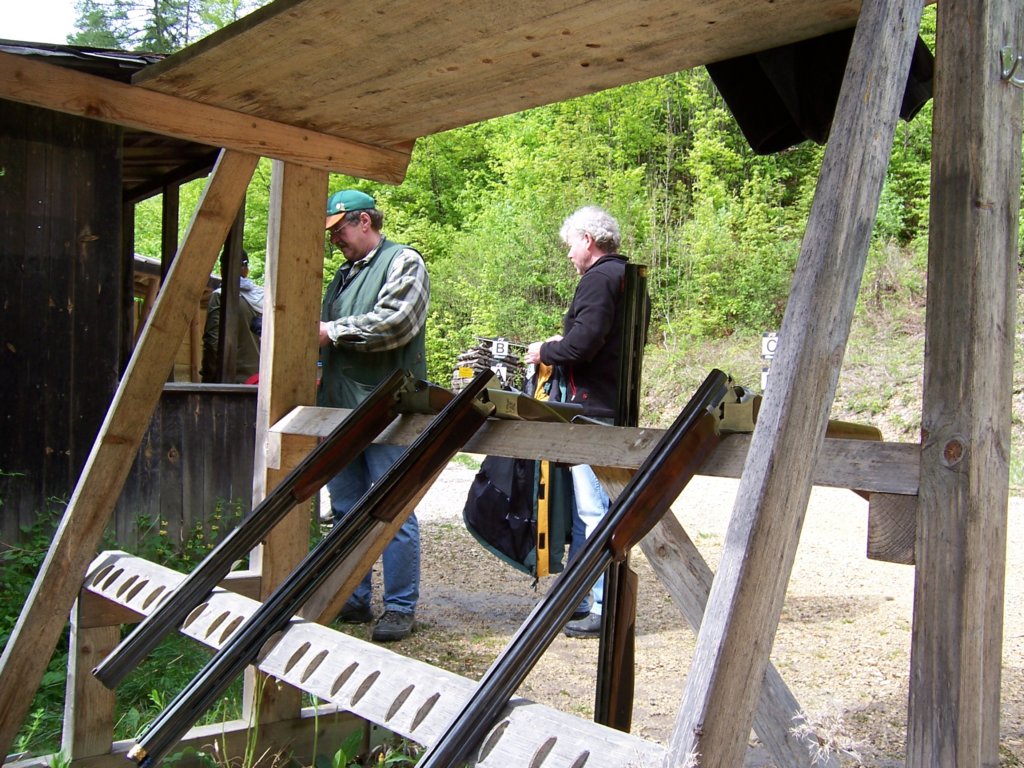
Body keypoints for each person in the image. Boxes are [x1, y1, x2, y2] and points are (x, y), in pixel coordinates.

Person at [319, 189, 430, 642]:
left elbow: (396, 323)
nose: (334, 240)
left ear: (364, 221)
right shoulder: (343, 275)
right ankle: (354, 596)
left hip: (390, 409)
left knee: (393, 509)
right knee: (346, 508)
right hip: (339, 409)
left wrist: (331, 331)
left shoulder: (404, 261)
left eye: (339, 229)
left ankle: (400, 607)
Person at [524, 206, 631, 638]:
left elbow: (584, 346)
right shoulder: (623, 276)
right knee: (590, 509)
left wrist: (545, 351)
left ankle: (603, 606)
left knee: (595, 509)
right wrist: (564, 340)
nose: (569, 254)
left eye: (571, 244)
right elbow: (598, 339)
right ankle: (580, 597)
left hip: (594, 409)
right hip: (607, 403)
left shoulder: (599, 278)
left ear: (587, 239)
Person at [201, 251, 264, 383]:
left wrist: (209, 378)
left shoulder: (220, 296)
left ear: (222, 270)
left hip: (232, 380)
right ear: (246, 270)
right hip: (260, 380)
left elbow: (212, 341)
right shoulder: (263, 298)